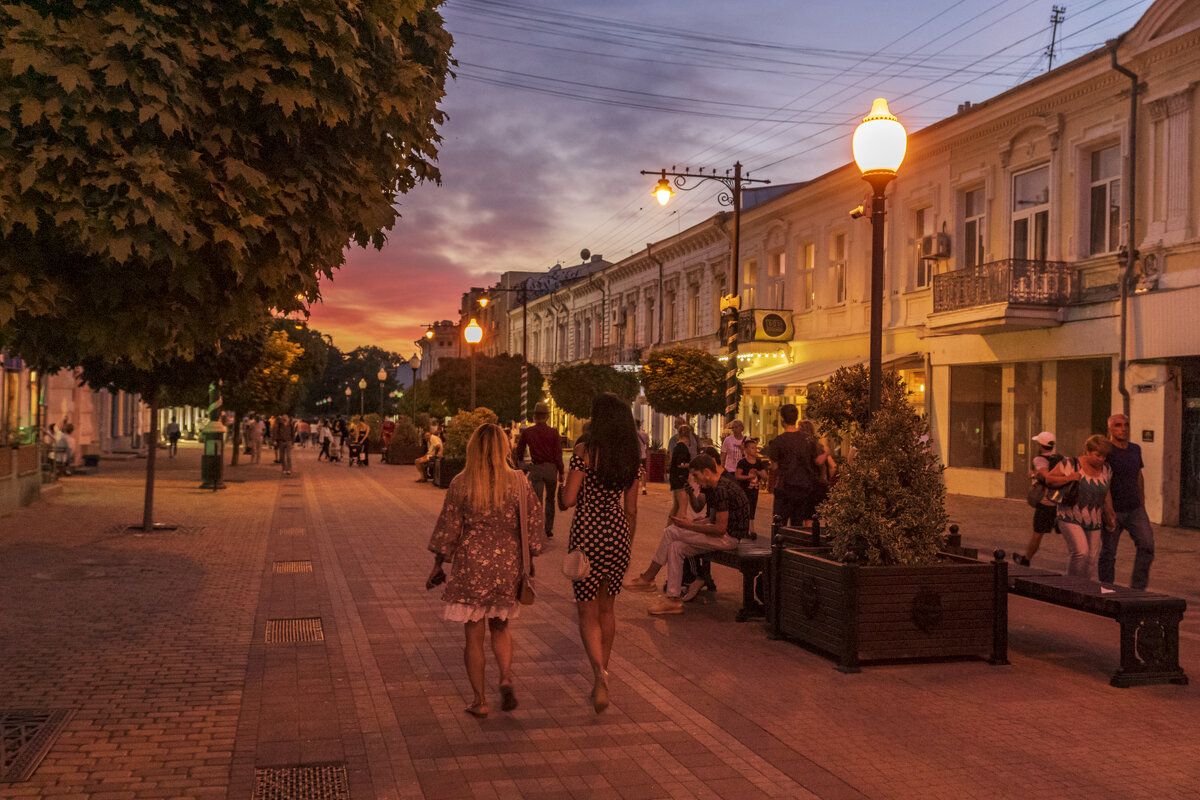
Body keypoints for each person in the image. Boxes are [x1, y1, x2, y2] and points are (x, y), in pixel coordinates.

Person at [427, 423, 545, 719]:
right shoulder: (518, 481)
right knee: (501, 626)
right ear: (504, 448)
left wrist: (438, 564)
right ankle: (505, 676)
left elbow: (448, 528)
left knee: (473, 635)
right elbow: (533, 523)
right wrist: (531, 558)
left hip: (471, 565)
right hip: (507, 564)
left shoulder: (462, 483)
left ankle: (480, 701)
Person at [560, 392, 640, 713]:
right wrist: (628, 544)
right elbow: (631, 510)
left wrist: (561, 491)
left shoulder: (585, 451)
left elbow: (568, 499)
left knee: (587, 613)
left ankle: (598, 675)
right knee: (608, 609)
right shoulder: (631, 457)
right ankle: (604, 673)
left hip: (588, 536)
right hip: (618, 536)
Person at [626, 454, 750, 615]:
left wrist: (690, 526)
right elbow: (711, 519)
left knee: (671, 532)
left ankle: (648, 578)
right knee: (677, 547)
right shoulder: (717, 486)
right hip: (725, 536)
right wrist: (691, 524)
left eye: (696, 476)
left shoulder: (721, 489)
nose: (695, 481)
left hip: (729, 539)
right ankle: (673, 599)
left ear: (706, 471)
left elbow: (720, 528)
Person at [1099, 414, 1155, 589]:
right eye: (1118, 425)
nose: (1123, 428)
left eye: (1126, 425)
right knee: (1109, 552)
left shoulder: (1135, 449)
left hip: (1135, 509)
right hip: (1114, 508)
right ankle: (1106, 589)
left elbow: (1138, 474)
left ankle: (1138, 589)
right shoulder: (1106, 451)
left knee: (1147, 545)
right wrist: (1107, 509)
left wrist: (1142, 501)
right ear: (1110, 429)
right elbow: (1103, 480)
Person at [1051, 434, 1116, 580]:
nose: (1101, 459)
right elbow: (1050, 480)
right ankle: (1071, 586)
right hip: (1069, 516)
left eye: (1104, 456)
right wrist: (1067, 478)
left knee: (1091, 559)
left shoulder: (1106, 469)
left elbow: (1106, 493)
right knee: (1081, 552)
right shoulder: (1069, 464)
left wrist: (1110, 514)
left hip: (1094, 520)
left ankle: (1084, 589)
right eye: (1097, 455)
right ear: (1087, 451)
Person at [767, 404, 826, 526]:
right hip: (804, 486)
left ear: (782, 419)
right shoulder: (808, 439)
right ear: (796, 417)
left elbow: (774, 467)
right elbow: (817, 461)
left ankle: (778, 544)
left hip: (785, 486)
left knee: (779, 523)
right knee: (797, 525)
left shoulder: (778, 441)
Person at [1012, 431, 1065, 567]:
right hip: (1060, 502)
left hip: (1046, 503)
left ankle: (1026, 560)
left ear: (1041, 445)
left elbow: (1046, 476)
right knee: (1068, 531)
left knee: (1037, 533)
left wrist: (1035, 474)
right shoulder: (1061, 458)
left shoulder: (1039, 460)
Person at [512, 402, 564, 538]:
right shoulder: (553, 432)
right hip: (551, 469)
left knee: (537, 501)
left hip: (537, 468)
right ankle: (548, 528)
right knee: (550, 500)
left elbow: (520, 450)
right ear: (546, 417)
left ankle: (537, 528)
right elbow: (558, 453)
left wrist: (520, 464)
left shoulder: (528, 432)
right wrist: (561, 471)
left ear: (534, 417)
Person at [734, 438, 769, 538]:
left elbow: (765, 476)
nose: (755, 450)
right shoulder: (742, 462)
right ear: (746, 450)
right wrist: (748, 477)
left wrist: (758, 472)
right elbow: (737, 475)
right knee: (744, 508)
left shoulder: (759, 462)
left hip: (754, 489)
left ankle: (751, 529)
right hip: (744, 489)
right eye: (752, 448)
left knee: (752, 508)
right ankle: (745, 529)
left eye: (755, 448)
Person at [636, 422, 650, 495]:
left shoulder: (631, 433)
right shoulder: (644, 434)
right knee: (643, 472)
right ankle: (644, 488)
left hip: (634, 456)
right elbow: (647, 445)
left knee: (634, 472)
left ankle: (633, 487)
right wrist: (646, 452)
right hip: (642, 455)